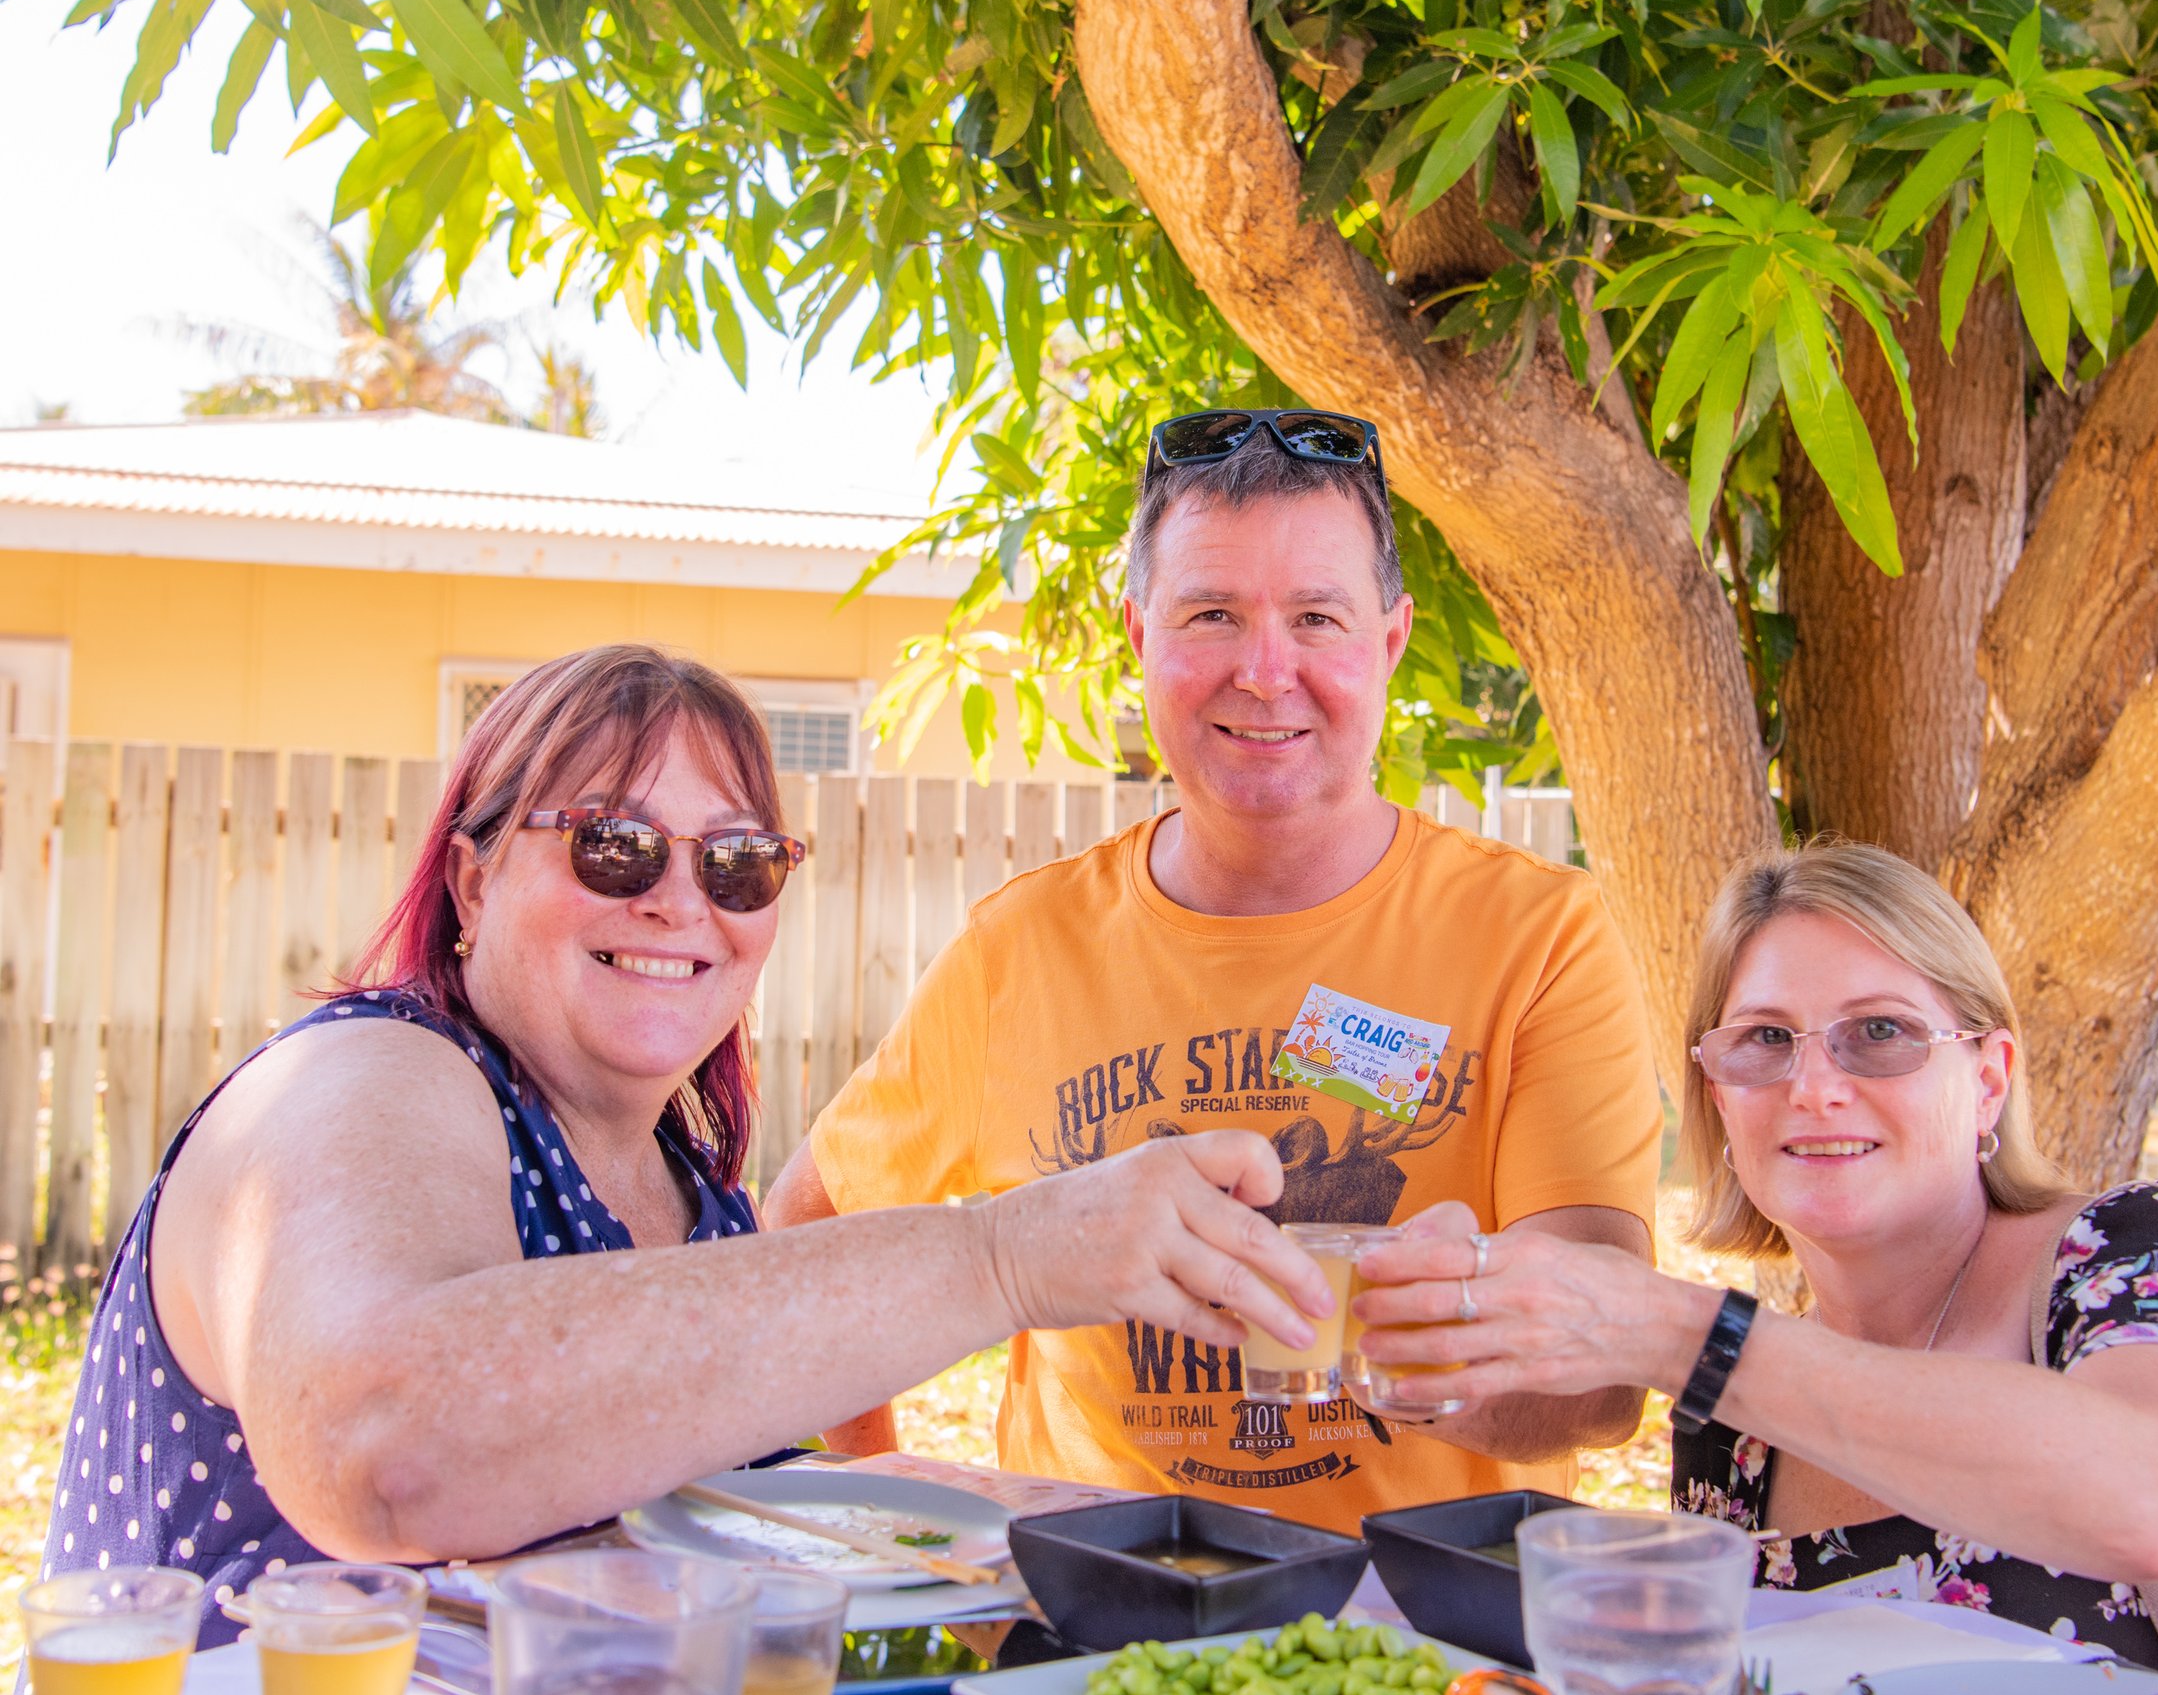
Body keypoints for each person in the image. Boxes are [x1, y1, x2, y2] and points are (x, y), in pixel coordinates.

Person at [42, 645, 1332, 1641]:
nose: (676, 897)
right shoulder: (368, 1072)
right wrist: (1002, 1256)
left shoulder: (686, 1189)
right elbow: (388, 1448)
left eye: (736, 862)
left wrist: (1097, 1531)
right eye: (611, 845)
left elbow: (697, 1526)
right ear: (476, 878)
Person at [767, 408, 1663, 1531]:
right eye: (1213, 614)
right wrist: (880, 1503)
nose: (1265, 669)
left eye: (1315, 617)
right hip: (1085, 1648)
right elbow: (809, 1233)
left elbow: (1599, 1387)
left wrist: (1394, 1350)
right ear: (1139, 632)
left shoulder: (1539, 938)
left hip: (1419, 1650)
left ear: (1386, 642)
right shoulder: (1019, 949)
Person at [1354, 841, 2158, 1695]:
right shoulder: (1732, 1429)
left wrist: (1670, 1329)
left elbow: (2148, 1499)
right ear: (1716, 1099)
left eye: (1878, 1033)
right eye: (1762, 1041)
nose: (1813, 1086)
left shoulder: (2145, 1250)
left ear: (1987, 1077)